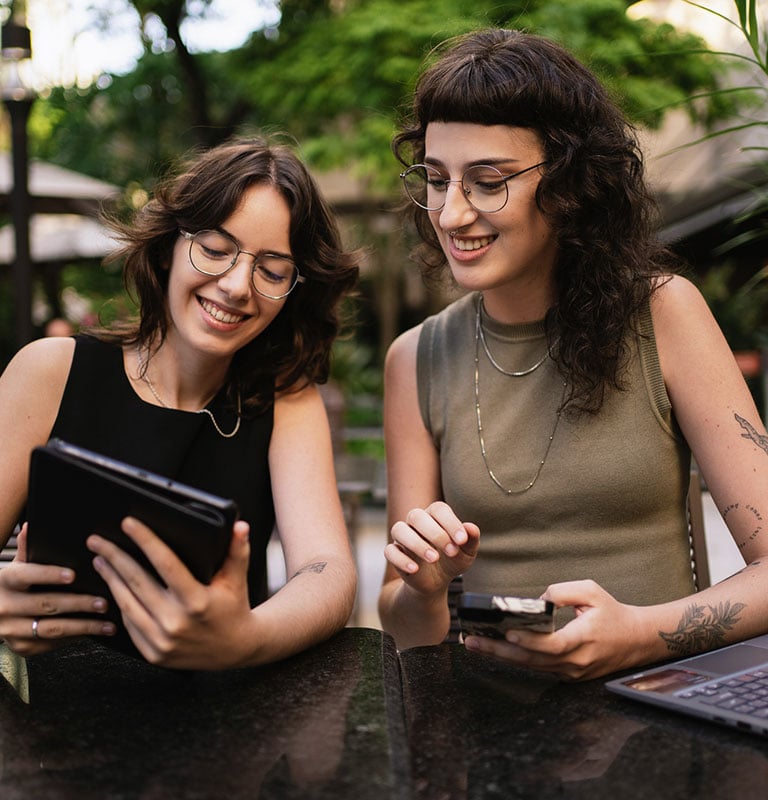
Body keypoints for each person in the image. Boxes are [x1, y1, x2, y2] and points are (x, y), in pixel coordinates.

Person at [378, 28, 768, 680]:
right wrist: (420, 586)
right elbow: (405, 626)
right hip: (490, 731)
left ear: (568, 183)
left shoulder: (663, 313)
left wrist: (639, 635)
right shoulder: (415, 358)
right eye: (437, 179)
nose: (451, 213)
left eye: (488, 180)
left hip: (654, 709)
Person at [0, 135, 360, 670]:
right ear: (169, 247)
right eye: (215, 249)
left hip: (225, 718)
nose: (238, 286)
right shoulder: (49, 370)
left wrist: (247, 637)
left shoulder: (285, 399)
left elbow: (329, 569)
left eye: (273, 270)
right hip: (51, 722)